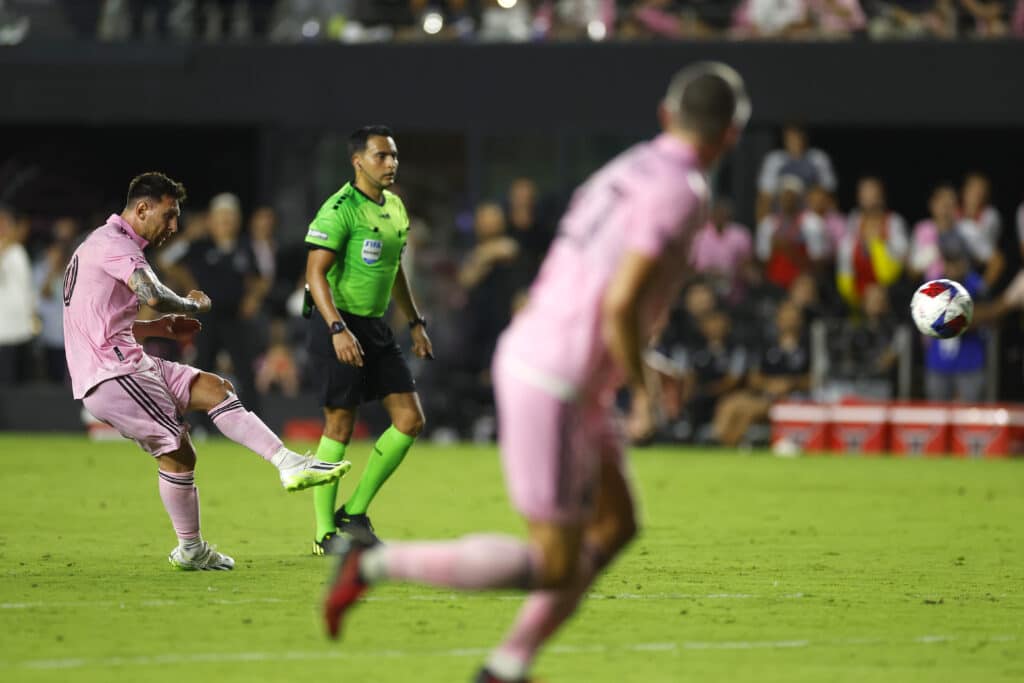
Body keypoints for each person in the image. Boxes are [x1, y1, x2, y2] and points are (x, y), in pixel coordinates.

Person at [323, 62, 750, 683]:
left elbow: (591, 281)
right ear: (731, 135)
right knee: (554, 560)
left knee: (616, 524)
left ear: (666, 115)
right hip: (557, 379)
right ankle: (370, 566)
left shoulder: (626, 169)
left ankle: (508, 666)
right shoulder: (683, 190)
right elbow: (621, 302)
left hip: (563, 362)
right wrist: (645, 394)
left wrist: (638, 364)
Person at [62, 172, 350, 571]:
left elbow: (93, 318)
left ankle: (288, 463)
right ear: (142, 209)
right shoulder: (116, 245)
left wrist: (156, 329)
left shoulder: (99, 243)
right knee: (178, 453)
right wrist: (192, 305)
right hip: (113, 373)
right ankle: (192, 549)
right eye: (168, 215)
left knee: (215, 388)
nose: (174, 226)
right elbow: (152, 294)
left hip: (126, 360)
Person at [304, 125, 434, 555]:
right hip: (336, 322)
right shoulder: (339, 209)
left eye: (393, 155)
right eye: (381, 155)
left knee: (410, 420)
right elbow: (314, 274)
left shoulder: (395, 206)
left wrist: (414, 321)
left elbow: (394, 270)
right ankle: (324, 532)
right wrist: (337, 328)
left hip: (375, 326)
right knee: (339, 424)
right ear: (357, 161)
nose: (391, 163)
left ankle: (355, 512)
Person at [712, 300, 811, 447]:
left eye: (793, 317)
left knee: (747, 412)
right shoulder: (767, 346)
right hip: (766, 395)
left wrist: (791, 383)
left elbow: (815, 379)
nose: (789, 321)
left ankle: (727, 446)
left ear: (800, 320)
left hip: (795, 400)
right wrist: (769, 384)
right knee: (729, 403)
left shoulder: (808, 346)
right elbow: (754, 378)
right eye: (785, 316)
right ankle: (717, 440)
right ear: (778, 320)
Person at [836, 177, 907, 311]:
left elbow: (896, 268)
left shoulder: (894, 222)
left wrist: (877, 244)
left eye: (874, 194)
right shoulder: (853, 222)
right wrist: (856, 297)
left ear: (882, 196)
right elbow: (845, 270)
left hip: (889, 291)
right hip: (859, 295)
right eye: (866, 194)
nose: (870, 199)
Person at [756, 175, 829, 291]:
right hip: (774, 285)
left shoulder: (812, 223)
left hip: (802, 286)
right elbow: (762, 260)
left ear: (799, 198)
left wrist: (787, 248)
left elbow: (818, 263)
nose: (788, 199)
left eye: (791, 195)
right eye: (785, 195)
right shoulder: (768, 224)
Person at [0, 204, 35, 384]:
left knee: (20, 385)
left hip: (22, 329)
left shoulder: (18, 251)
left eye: (6, 223)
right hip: (3, 332)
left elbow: (27, 288)